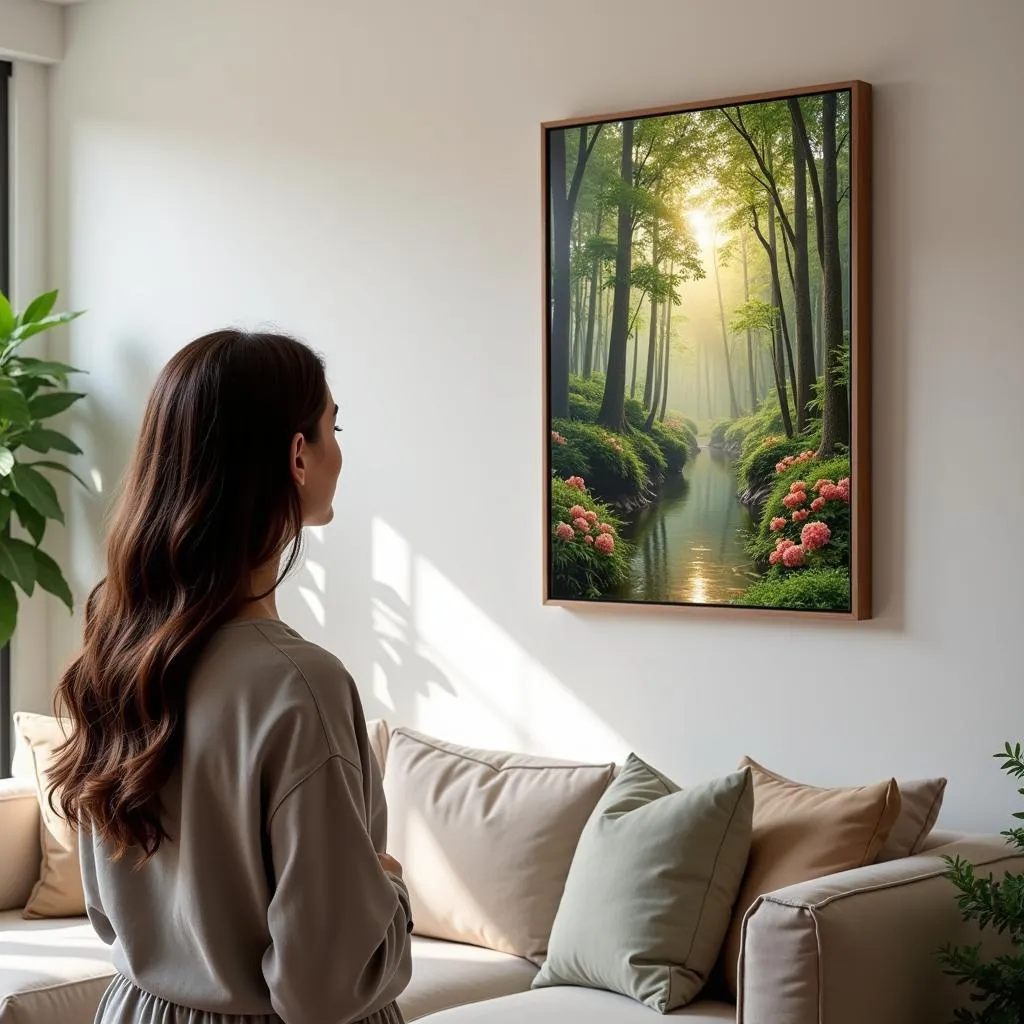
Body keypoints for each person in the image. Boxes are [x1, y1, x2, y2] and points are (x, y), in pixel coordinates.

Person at [46, 330, 413, 1024]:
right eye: (333, 426)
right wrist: (389, 895)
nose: (339, 446)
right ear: (298, 456)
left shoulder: (118, 655)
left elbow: (108, 911)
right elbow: (325, 988)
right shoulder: (302, 688)